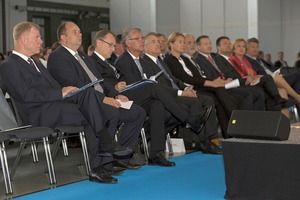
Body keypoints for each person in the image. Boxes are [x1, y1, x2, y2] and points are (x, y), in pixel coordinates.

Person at [0, 21, 134, 184]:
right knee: (92, 111)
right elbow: (25, 95)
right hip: (37, 113)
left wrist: (68, 91)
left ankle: (101, 162)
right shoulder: (8, 66)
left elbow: (55, 86)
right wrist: (60, 92)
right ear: (24, 39)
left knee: (94, 100)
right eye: (37, 37)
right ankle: (103, 151)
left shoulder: (35, 63)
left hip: (55, 105)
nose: (41, 41)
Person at [47, 22, 146, 171]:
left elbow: (100, 81)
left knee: (138, 113)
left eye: (80, 31)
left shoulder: (82, 56)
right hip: (81, 103)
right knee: (109, 112)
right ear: (63, 37)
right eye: (75, 32)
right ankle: (102, 164)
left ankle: (121, 156)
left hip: (99, 98)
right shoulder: (57, 57)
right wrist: (104, 99)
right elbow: (75, 85)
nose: (80, 34)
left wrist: (116, 94)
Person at [115, 27, 213, 160]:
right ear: (128, 43)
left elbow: (170, 80)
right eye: (137, 39)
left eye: (141, 38)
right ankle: (189, 120)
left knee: (158, 106)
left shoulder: (139, 59)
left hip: (150, 97)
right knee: (154, 87)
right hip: (132, 98)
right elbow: (135, 85)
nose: (141, 41)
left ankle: (156, 153)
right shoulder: (123, 60)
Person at [142, 32, 221, 153]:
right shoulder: (145, 62)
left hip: (177, 92)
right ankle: (202, 142)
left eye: (158, 41)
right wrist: (181, 92)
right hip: (167, 96)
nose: (158, 44)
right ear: (145, 47)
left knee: (207, 100)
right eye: (154, 42)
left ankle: (211, 138)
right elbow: (158, 86)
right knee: (194, 102)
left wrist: (185, 88)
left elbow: (174, 80)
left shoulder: (160, 61)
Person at [164, 32, 239, 138]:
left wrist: (216, 82)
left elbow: (197, 76)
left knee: (220, 91)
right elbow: (186, 78)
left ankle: (229, 133)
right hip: (189, 88)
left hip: (198, 85)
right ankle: (219, 133)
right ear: (171, 44)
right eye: (180, 42)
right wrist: (212, 83)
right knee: (215, 96)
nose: (183, 45)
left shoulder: (185, 59)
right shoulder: (169, 60)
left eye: (184, 42)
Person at [193, 35, 265, 111]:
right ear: (198, 47)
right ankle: (244, 121)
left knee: (258, 91)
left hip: (228, 82)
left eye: (210, 43)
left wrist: (229, 79)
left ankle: (258, 119)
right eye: (206, 44)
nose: (209, 46)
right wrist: (224, 81)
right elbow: (208, 76)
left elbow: (224, 72)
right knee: (247, 94)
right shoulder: (199, 59)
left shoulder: (212, 57)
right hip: (219, 85)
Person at [229, 38, 293, 117]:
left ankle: (275, 117)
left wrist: (257, 76)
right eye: (238, 46)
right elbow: (237, 75)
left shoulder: (246, 61)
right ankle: (278, 99)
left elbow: (254, 73)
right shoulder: (232, 61)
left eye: (243, 46)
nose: (241, 48)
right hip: (245, 84)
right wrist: (252, 77)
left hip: (253, 81)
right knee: (267, 78)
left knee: (268, 86)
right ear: (234, 49)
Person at [245, 38, 300, 104]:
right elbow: (256, 74)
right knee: (296, 75)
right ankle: (297, 97)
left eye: (257, 47)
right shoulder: (247, 60)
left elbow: (270, 69)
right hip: (266, 80)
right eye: (253, 47)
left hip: (274, 76)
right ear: (247, 48)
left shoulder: (258, 60)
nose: (255, 49)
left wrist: (278, 73)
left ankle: (298, 100)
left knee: (297, 82)